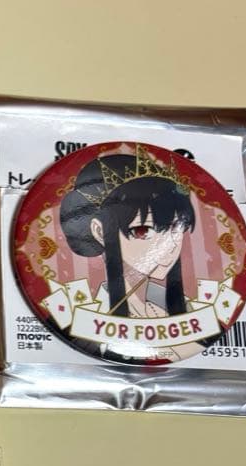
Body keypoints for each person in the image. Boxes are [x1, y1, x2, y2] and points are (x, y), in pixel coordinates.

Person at [58, 145, 202, 359]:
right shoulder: (84, 317)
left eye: (178, 227)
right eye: (143, 231)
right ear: (99, 231)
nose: (170, 245)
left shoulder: (176, 311)